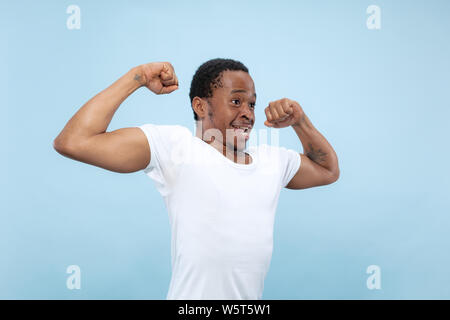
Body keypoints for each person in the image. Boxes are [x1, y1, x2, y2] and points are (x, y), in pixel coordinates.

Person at [53, 58, 340, 300]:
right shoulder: (175, 148)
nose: (247, 114)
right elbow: (74, 142)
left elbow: (328, 170)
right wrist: (137, 77)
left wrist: (300, 122)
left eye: (252, 104)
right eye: (236, 101)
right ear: (201, 107)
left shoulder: (272, 161)